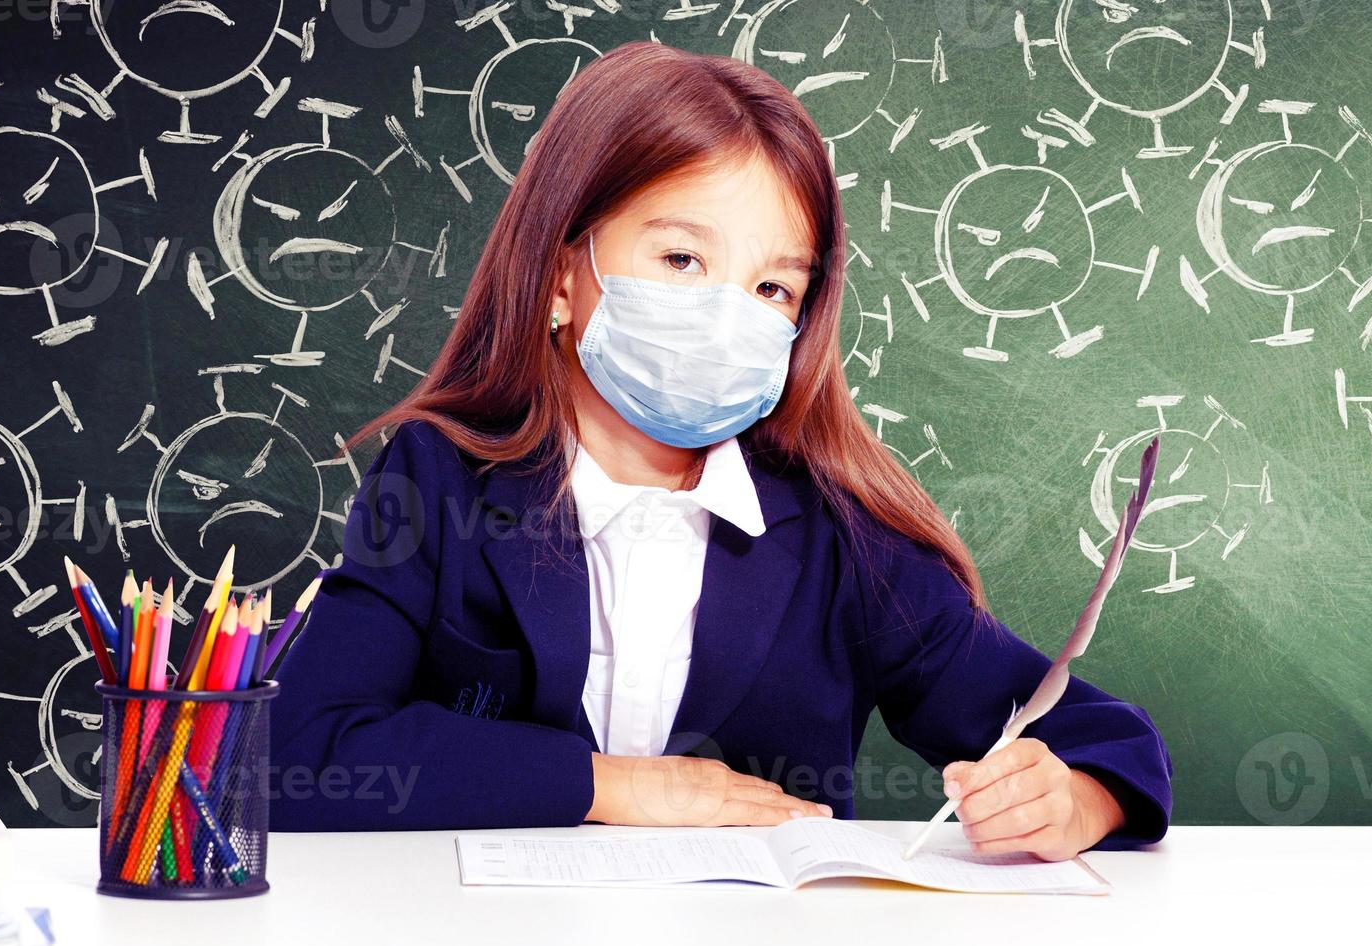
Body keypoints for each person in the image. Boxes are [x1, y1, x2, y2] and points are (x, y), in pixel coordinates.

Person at [268, 42, 1168, 861]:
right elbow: (298, 752)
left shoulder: (837, 531)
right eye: (682, 261)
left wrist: (1076, 800)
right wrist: (613, 787)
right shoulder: (437, 481)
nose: (726, 316)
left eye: (772, 285)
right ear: (560, 276)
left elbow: (1104, 738)